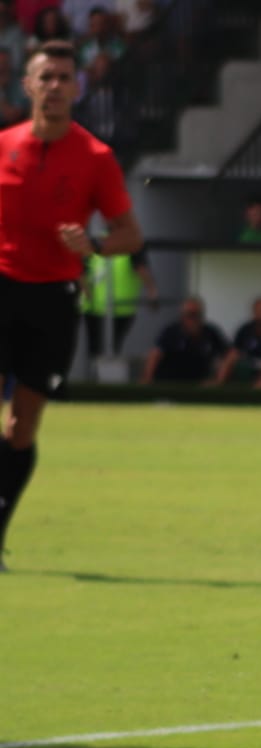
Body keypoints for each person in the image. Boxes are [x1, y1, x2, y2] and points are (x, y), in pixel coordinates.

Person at [0, 40, 142, 567]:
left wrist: (96, 246)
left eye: (64, 77)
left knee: (21, 429)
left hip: (54, 300)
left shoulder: (95, 157)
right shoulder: (4, 143)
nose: (55, 86)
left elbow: (130, 233)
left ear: (77, 88)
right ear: (27, 85)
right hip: (2, 284)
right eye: (46, 77)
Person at [141, 296, 228, 383]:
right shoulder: (171, 332)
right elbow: (155, 355)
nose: (193, 319)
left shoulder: (210, 333)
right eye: (190, 315)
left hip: (198, 386)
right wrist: (147, 380)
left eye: (197, 315)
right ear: (182, 316)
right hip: (170, 384)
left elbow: (229, 354)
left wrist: (218, 381)